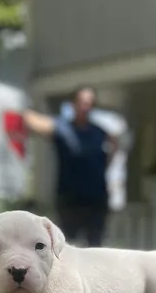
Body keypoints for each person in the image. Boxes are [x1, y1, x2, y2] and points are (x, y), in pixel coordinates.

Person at [23, 86, 118, 247]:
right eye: (81, 102)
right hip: (69, 199)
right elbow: (33, 121)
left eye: (89, 103)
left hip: (96, 199)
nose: (85, 107)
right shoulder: (62, 128)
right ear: (73, 104)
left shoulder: (100, 133)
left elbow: (114, 147)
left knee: (95, 246)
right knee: (65, 246)